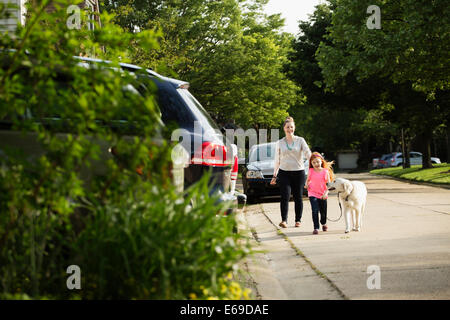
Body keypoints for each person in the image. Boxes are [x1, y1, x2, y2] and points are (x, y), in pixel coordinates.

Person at [270, 116, 311, 228]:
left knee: (298, 197)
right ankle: (284, 220)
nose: (290, 129)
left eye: (291, 127)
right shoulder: (280, 142)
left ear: (294, 128)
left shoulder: (300, 140)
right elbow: (277, 160)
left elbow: (308, 153)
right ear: (284, 128)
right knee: (285, 196)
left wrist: (313, 163)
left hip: (299, 173)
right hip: (284, 173)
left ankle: (298, 220)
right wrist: (274, 175)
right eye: (287, 127)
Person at [305, 152, 335, 235]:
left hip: (323, 194)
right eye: (313, 162)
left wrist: (326, 193)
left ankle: (324, 223)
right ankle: (316, 228)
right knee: (314, 210)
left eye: (317, 161)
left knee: (323, 211)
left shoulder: (325, 171)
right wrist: (306, 185)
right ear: (311, 163)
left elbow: (329, 185)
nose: (316, 164)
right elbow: (307, 180)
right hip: (312, 193)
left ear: (321, 161)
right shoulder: (311, 170)